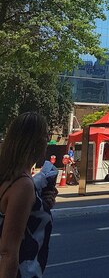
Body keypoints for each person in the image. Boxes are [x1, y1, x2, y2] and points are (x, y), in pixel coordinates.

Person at [0, 112, 57, 277]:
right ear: (35, 142)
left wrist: (41, 207)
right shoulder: (23, 185)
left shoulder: (10, 178)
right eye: (46, 135)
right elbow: (9, 252)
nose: (47, 141)